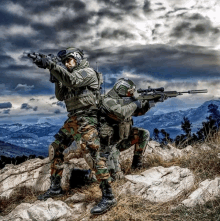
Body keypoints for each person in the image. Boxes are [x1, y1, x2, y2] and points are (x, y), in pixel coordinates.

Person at [32, 47, 116, 214]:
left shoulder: (87, 72)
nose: (66, 63)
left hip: (87, 118)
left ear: (77, 58)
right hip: (73, 119)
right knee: (56, 148)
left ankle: (108, 196)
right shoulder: (68, 74)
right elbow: (60, 96)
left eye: (69, 60)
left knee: (93, 154)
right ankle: (55, 188)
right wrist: (55, 76)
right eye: (64, 62)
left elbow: (72, 81)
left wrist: (52, 66)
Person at [98, 78, 150, 175]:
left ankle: (136, 166)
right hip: (109, 146)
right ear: (121, 90)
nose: (132, 94)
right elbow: (122, 113)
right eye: (130, 91)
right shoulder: (107, 101)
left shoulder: (126, 101)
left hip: (121, 141)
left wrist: (148, 103)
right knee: (116, 177)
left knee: (143, 134)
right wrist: (135, 103)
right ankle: (82, 175)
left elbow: (138, 112)